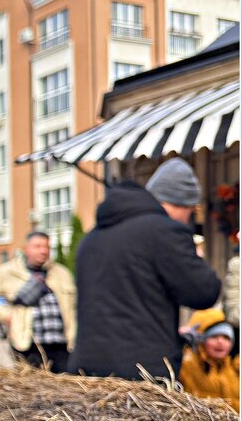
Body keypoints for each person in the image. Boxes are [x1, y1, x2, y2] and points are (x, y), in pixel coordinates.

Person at [67, 157, 222, 380]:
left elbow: (126, 304)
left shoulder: (92, 237)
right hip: (140, 375)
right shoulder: (164, 232)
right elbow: (204, 292)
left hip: (86, 370)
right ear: (182, 203)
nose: (188, 220)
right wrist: (196, 258)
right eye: (190, 211)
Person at [0, 230, 76, 373]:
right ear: (26, 249)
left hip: (61, 346)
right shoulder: (9, 272)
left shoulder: (61, 273)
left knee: (66, 390)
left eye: (46, 247)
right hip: (28, 346)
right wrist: (5, 316)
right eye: (38, 246)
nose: (43, 251)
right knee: (33, 391)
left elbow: (74, 306)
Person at [179, 308, 239, 411]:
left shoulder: (235, 368)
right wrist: (179, 342)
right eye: (214, 336)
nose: (220, 342)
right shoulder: (186, 365)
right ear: (200, 340)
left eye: (226, 337)